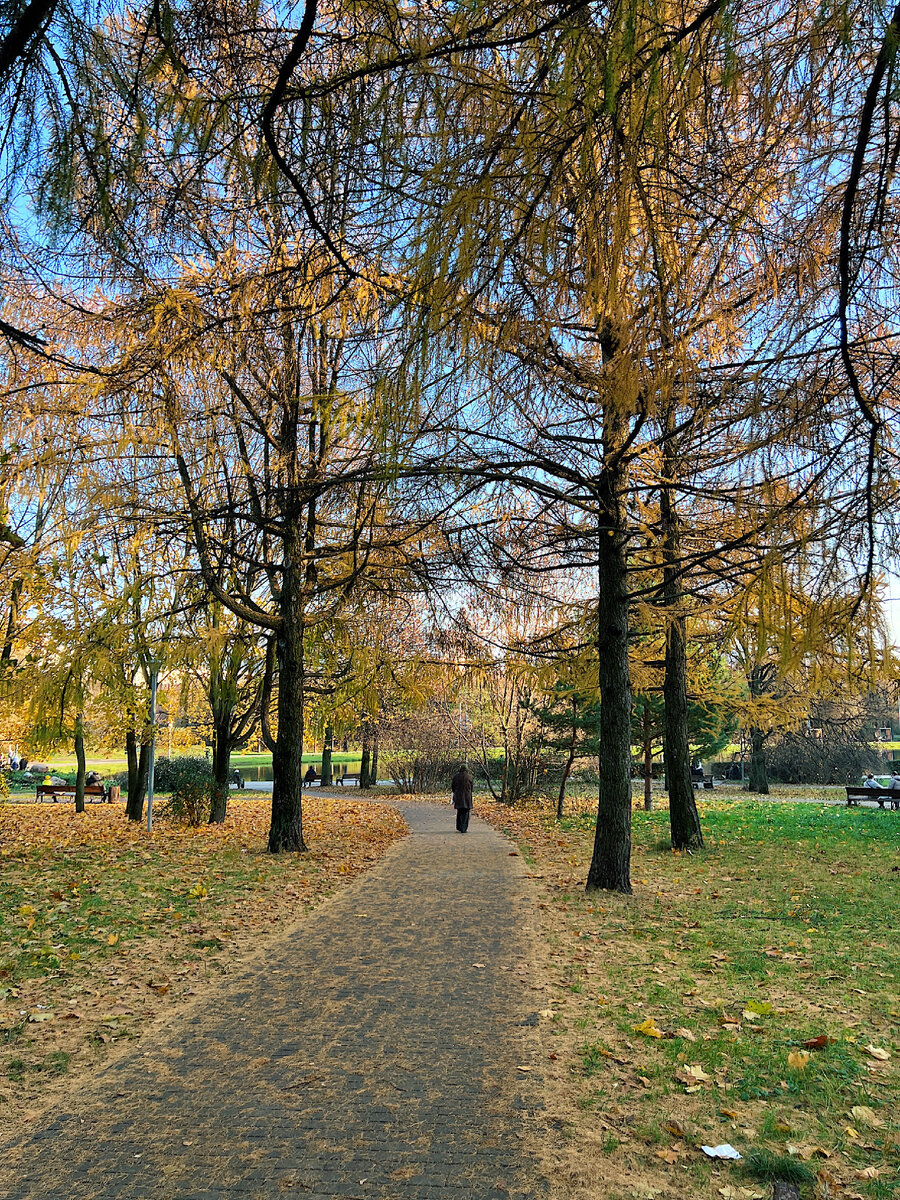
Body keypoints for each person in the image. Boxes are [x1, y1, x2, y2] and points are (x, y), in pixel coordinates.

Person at [450, 765, 473, 833]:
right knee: (466, 812)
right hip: (467, 797)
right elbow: (472, 788)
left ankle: (459, 826)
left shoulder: (456, 777)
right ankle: (464, 828)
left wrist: (455, 792)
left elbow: (453, 787)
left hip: (458, 796)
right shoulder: (470, 777)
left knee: (459, 811)